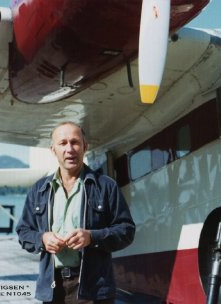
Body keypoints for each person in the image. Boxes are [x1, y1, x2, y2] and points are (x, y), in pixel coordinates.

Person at [16, 121, 135, 304]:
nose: (69, 149)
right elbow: (24, 232)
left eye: (75, 142)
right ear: (53, 149)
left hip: (94, 290)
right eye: (62, 143)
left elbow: (126, 231)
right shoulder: (39, 189)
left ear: (85, 147)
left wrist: (92, 237)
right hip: (52, 289)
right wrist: (43, 239)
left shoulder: (106, 186)